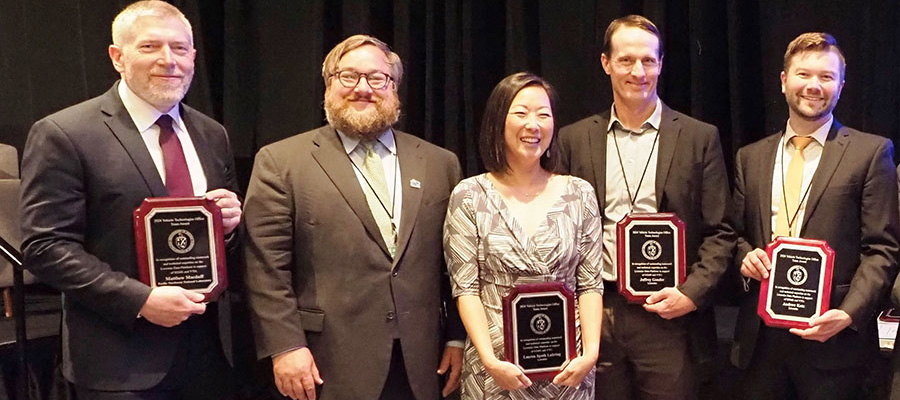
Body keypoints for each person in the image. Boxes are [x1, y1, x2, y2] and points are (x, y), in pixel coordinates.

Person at [18, 1, 243, 399]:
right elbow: (45, 247)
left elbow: (219, 247)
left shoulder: (212, 134)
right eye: (150, 47)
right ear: (117, 57)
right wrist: (140, 300)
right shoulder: (64, 133)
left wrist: (226, 227)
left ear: (193, 57)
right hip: (119, 364)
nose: (168, 60)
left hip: (209, 356)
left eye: (179, 48)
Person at [242, 34, 465, 400]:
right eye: (349, 77)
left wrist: (457, 336)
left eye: (377, 78)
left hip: (422, 363)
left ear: (394, 88)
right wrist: (284, 346)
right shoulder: (281, 162)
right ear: (329, 85)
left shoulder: (441, 163)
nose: (363, 88)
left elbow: (456, 266)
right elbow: (265, 268)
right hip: (324, 363)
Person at [556, 14, 735, 400]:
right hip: (596, 310)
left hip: (669, 317)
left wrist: (692, 293)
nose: (638, 71)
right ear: (606, 64)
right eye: (626, 60)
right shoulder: (573, 139)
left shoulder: (699, 138)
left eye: (649, 61)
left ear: (661, 63)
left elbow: (721, 230)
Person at [731, 32, 899, 399]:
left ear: (841, 86)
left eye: (826, 77)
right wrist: (745, 257)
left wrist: (849, 314)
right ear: (783, 81)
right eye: (804, 74)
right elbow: (736, 235)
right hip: (759, 344)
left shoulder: (870, 153)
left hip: (834, 344)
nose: (814, 86)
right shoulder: (750, 157)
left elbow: (882, 249)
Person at [444, 72, 603, 399]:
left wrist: (591, 353)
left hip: (568, 371)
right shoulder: (469, 195)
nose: (534, 124)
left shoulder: (579, 193)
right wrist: (489, 360)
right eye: (521, 113)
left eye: (544, 115)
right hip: (496, 372)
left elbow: (589, 283)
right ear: (498, 121)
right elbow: (466, 288)